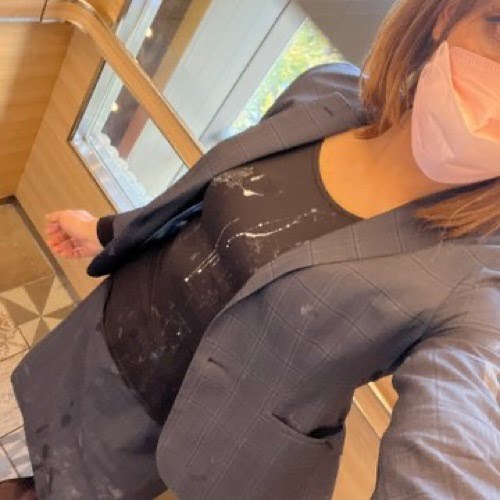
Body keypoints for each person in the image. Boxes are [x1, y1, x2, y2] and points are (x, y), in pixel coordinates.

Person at [3, 0, 499, 498]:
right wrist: (108, 230)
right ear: (445, 15)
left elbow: (458, 444)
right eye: (498, 30)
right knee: (32, 450)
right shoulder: (323, 92)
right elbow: (207, 198)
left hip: (159, 427)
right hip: (102, 333)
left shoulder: (477, 284)